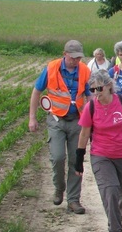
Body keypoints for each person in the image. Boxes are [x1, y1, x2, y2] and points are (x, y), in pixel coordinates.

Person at [75, 70, 122, 232]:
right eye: (92, 89)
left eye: (99, 89)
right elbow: (84, 133)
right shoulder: (91, 107)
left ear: (109, 86)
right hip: (101, 155)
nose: (96, 93)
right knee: (110, 190)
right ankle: (114, 231)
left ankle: (121, 216)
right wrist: (79, 159)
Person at [28, 40, 91, 214]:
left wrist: (92, 120)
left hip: (77, 121)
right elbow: (36, 92)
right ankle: (59, 187)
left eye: (78, 58)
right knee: (57, 158)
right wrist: (32, 118)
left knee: (75, 160)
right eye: (73, 58)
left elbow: (90, 96)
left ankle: (73, 200)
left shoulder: (85, 70)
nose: (76, 61)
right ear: (65, 54)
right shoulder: (51, 68)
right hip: (56, 120)